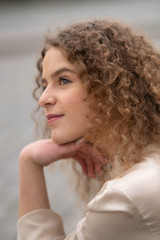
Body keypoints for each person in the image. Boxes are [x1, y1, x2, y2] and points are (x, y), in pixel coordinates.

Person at [17, 19, 160, 240]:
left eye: (63, 80)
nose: (43, 99)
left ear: (107, 86)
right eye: (44, 85)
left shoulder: (127, 194)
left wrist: (29, 163)